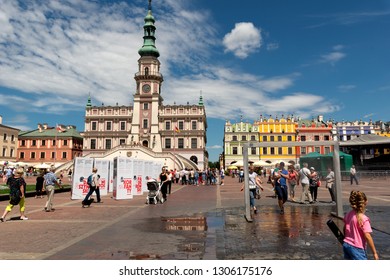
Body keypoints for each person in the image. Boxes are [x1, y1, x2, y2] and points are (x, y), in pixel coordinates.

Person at [343, 190, 379, 260]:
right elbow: (367, 236)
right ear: (365, 202)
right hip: (357, 248)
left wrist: (346, 238)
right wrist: (374, 252)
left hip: (346, 245)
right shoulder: (364, 219)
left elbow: (345, 228)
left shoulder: (348, 214)